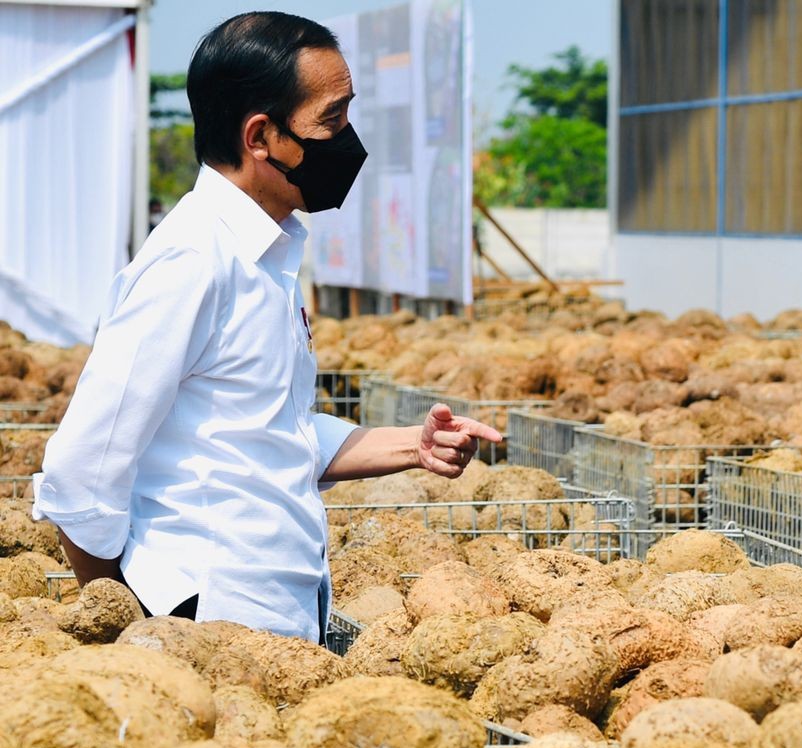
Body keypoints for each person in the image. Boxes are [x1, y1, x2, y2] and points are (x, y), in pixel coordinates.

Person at [31, 12, 500, 642]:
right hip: (206, 619)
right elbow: (81, 474)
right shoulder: (193, 261)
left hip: (274, 615)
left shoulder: (269, 252)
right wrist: (133, 626)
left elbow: (270, 428)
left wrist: (411, 447)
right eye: (331, 120)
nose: (347, 138)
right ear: (261, 137)